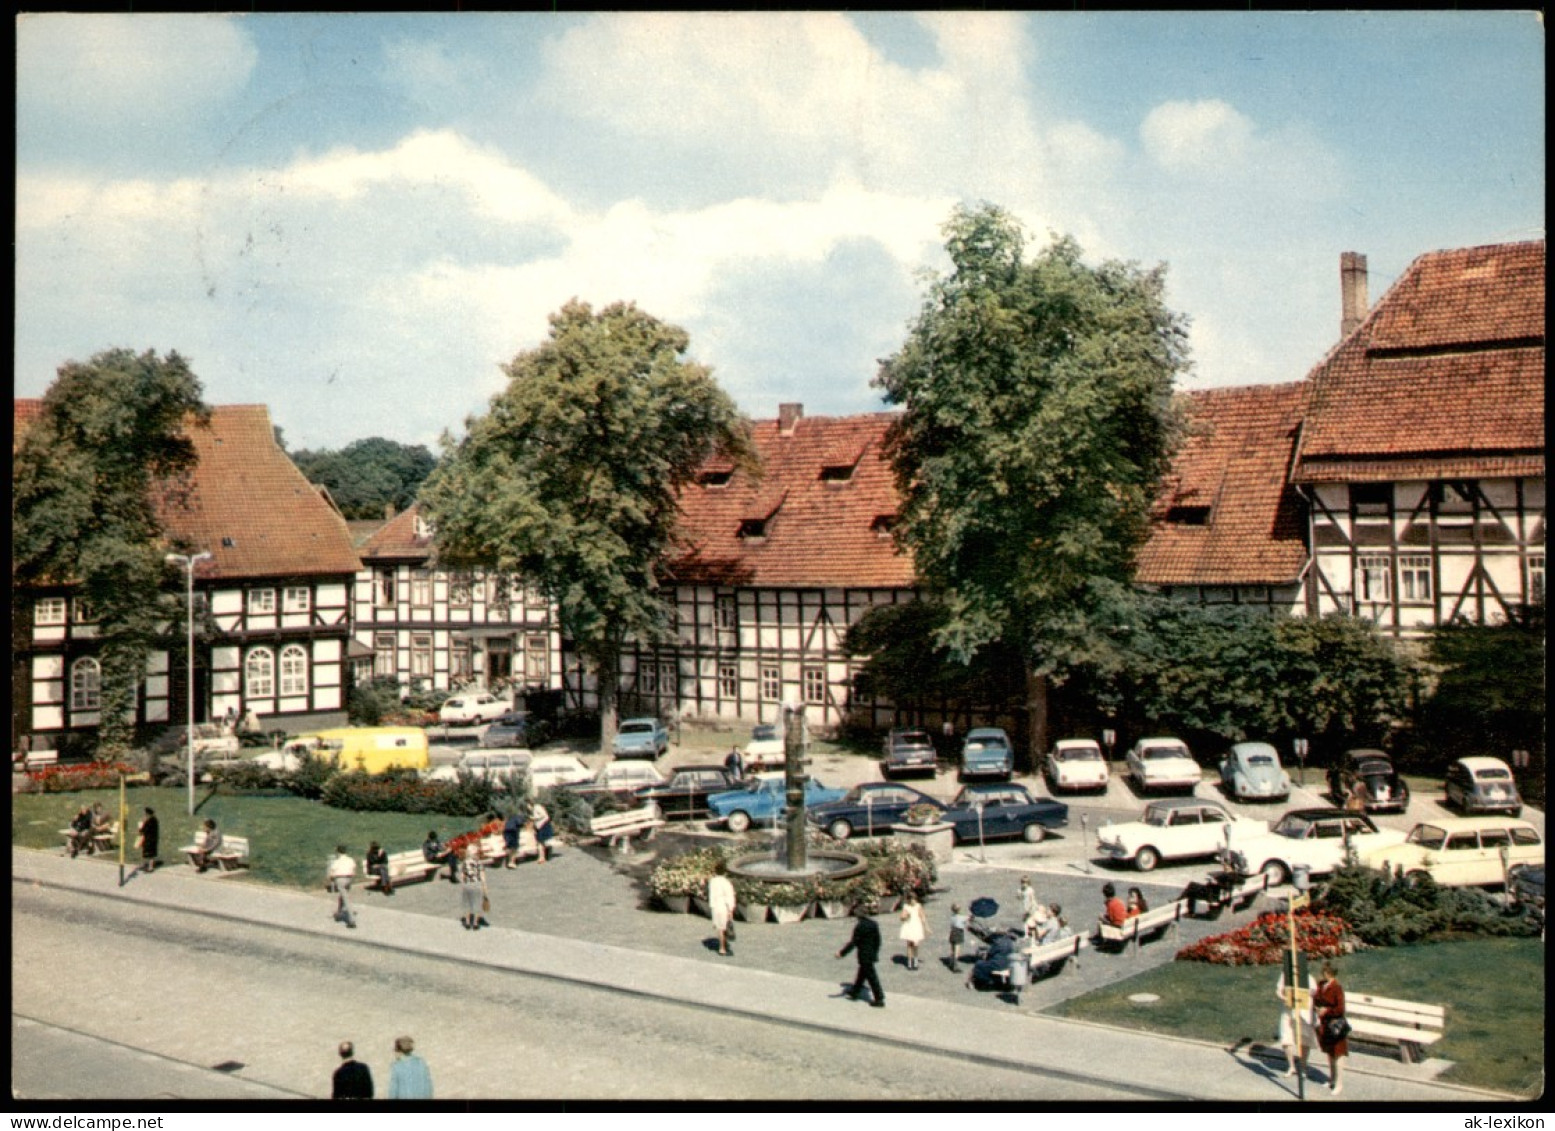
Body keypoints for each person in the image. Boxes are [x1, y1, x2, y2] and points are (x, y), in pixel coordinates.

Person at [836, 902, 885, 1007]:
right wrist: (875, 952)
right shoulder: (873, 924)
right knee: (862, 975)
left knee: (872, 977)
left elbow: (854, 942)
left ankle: (879, 998)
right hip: (871, 954)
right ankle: (855, 992)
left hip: (864, 955)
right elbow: (878, 941)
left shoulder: (860, 926)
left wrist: (841, 953)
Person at [1275, 966, 1318, 1080]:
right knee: (1286, 1037)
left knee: (1304, 1039)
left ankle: (1303, 1066)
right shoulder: (1285, 976)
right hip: (1288, 1010)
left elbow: (1314, 992)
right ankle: (1291, 1066)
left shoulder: (1308, 978)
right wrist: (1284, 997)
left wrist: (1304, 995)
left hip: (1302, 1012)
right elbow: (1278, 990)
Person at [1314, 961, 1349, 1094]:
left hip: (1336, 1025)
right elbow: (1316, 999)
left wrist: (1326, 1011)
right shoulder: (1322, 984)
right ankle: (1332, 1079)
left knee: (1338, 1054)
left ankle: (1339, 1084)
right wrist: (1317, 1008)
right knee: (1329, 1053)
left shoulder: (1337, 988)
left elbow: (1340, 1009)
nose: (1323, 974)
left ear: (1329, 973)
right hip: (1325, 1024)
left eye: (1325, 972)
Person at [386, 1035, 433, 1100]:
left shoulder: (396, 1066)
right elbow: (428, 1086)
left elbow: (393, 1089)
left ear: (399, 1051)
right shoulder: (421, 1063)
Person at [707, 859, 737, 956]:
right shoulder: (726, 883)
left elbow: (711, 895)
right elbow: (729, 896)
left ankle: (722, 947)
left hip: (716, 906)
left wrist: (712, 906)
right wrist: (730, 909)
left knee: (720, 928)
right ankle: (723, 947)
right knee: (724, 927)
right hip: (724, 906)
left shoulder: (713, 881)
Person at [458, 842, 488, 930]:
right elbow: (483, 877)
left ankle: (467, 922)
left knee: (467, 904)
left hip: (467, 885)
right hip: (476, 884)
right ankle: (475, 923)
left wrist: (463, 884)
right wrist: (485, 888)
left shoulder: (464, 863)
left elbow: (462, 876)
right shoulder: (479, 863)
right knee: (477, 904)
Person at [328, 845, 358, 928]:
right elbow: (353, 868)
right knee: (342, 897)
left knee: (346, 898)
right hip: (349, 879)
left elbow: (332, 872)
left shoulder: (337, 862)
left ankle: (351, 920)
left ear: (338, 852)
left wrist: (332, 879)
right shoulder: (350, 860)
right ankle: (339, 913)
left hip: (340, 879)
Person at [898, 892, 928, 970]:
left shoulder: (918, 906)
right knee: (909, 945)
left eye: (914, 899)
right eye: (911, 899)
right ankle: (909, 963)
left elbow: (923, 917)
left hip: (916, 926)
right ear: (909, 900)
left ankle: (915, 961)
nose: (913, 901)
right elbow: (901, 917)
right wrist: (905, 917)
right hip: (909, 926)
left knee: (916, 945)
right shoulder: (906, 906)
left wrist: (926, 927)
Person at [529, 799, 554, 864]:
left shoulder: (537, 807)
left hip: (543, 825)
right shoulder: (534, 808)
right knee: (541, 842)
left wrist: (534, 818)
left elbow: (543, 815)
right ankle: (542, 856)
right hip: (540, 826)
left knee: (540, 842)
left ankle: (541, 857)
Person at [137, 807, 160, 873]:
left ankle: (149, 866)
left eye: (145, 814)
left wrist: (141, 826)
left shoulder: (148, 821)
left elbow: (143, 830)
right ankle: (149, 866)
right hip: (153, 839)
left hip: (148, 839)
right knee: (151, 854)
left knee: (148, 853)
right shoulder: (155, 820)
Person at [946, 903, 968, 969]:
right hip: (959, 932)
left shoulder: (952, 917)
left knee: (952, 949)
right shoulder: (961, 917)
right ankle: (955, 965)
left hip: (952, 932)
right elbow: (969, 918)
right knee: (957, 949)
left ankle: (951, 962)